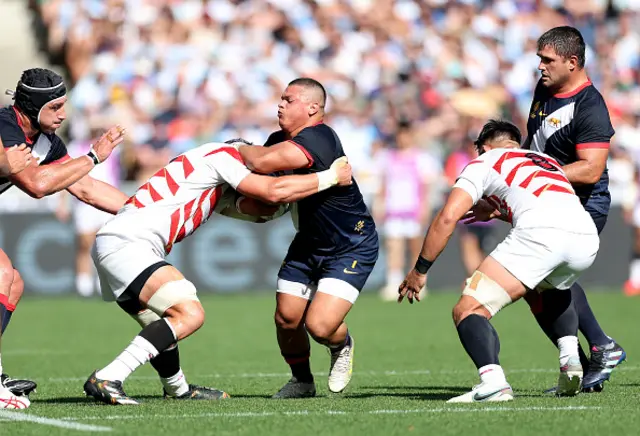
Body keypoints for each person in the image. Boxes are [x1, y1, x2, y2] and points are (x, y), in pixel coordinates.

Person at [83, 139, 353, 405]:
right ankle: (108, 377)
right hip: (130, 244)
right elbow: (272, 192)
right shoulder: (225, 156)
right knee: (189, 313)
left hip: (116, 240)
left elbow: (259, 209)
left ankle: (177, 389)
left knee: (159, 325)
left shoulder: (208, 175)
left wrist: (285, 200)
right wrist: (328, 177)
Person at [399, 120, 599, 402]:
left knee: (468, 310)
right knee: (546, 286)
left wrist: (420, 270)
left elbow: (447, 217)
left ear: (485, 147)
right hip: (585, 237)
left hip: (542, 235)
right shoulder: (545, 160)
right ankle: (570, 359)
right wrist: (498, 213)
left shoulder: (484, 161)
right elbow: (540, 201)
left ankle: (493, 382)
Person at [237, 78, 379, 398]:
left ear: (313, 108)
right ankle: (302, 381)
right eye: (281, 99)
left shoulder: (320, 137)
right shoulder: (278, 139)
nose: (280, 105)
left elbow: (258, 162)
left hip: (350, 244)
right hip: (308, 242)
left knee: (320, 326)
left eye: (289, 99)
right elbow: (262, 188)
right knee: (287, 319)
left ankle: (341, 345)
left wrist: (233, 147)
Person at [0, 68, 127, 408]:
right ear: (33, 106)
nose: (63, 114)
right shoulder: (4, 126)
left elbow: (85, 188)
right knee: (2, 275)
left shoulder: (48, 142)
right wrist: (94, 157)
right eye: (55, 107)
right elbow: (37, 185)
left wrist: (144, 209)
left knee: (13, 283)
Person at [523, 26, 625, 392]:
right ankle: (580, 367)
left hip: (583, 202)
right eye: (539, 58)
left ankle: (602, 346)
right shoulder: (543, 90)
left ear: (573, 61)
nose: (540, 66)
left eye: (547, 60)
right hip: (546, 201)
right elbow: (531, 145)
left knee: (543, 275)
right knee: (533, 285)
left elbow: (590, 169)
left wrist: (534, 177)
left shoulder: (590, 106)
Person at [375, 120, 438, 301]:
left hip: (413, 209)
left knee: (416, 247)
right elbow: (382, 184)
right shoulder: (387, 157)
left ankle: (418, 282)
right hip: (393, 209)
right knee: (394, 246)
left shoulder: (422, 158)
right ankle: (394, 282)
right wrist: (380, 204)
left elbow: (426, 186)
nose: (402, 139)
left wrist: (424, 208)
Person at [444, 139, 496, 275]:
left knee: (483, 251)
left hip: (487, 216)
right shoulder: (458, 158)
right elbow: (449, 180)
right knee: (469, 246)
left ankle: (479, 279)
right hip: (467, 211)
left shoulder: (488, 161)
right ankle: (474, 278)